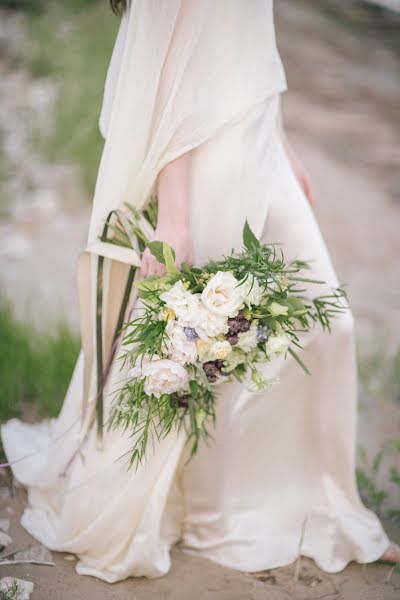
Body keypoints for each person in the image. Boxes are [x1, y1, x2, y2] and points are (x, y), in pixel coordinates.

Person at [2, 0, 399, 584]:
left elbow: (247, 38)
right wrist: (176, 216)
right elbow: (169, 74)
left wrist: (284, 144)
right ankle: (213, 521)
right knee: (211, 349)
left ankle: (331, 509)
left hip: (260, 139)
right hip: (210, 160)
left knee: (328, 326)